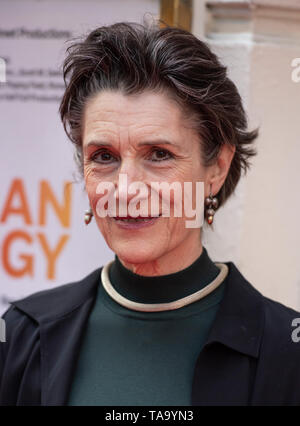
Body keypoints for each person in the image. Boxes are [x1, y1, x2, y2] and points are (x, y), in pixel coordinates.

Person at [1, 21, 300, 407]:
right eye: (103, 157)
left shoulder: (286, 353)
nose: (125, 189)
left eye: (159, 154)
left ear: (217, 168)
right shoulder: (23, 335)